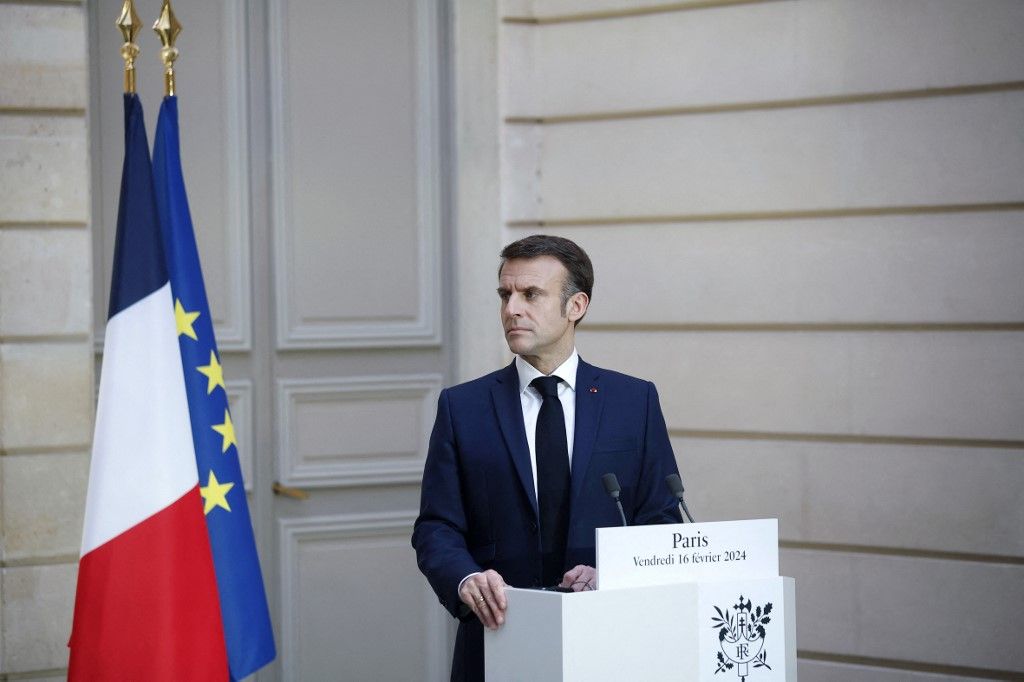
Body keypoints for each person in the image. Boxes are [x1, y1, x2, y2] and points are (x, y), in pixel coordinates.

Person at [412, 235, 682, 681]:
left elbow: (662, 519)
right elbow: (436, 526)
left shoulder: (634, 401)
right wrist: (466, 581)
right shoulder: (462, 408)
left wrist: (614, 573)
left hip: (613, 641)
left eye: (530, 294)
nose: (511, 308)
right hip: (498, 641)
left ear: (576, 306)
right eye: (505, 294)